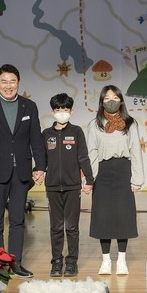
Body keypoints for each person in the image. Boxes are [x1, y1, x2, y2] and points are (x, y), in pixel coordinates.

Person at [0, 63, 46, 278]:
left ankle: (15, 263)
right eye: (4, 81)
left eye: (12, 81)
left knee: (17, 220)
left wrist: (40, 167)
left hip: (21, 171)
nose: (8, 85)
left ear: (18, 83)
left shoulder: (29, 107)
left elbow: (36, 139)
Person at [87, 85, 144, 275]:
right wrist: (90, 179)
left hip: (123, 170)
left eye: (114, 97)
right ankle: (105, 261)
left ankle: (121, 260)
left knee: (123, 215)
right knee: (102, 215)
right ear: (101, 101)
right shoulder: (94, 124)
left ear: (121, 100)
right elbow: (92, 152)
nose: (111, 101)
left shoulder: (130, 123)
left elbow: (135, 150)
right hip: (102, 172)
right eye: (107, 98)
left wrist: (137, 179)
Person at [41, 93, 95, 277]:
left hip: (73, 187)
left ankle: (71, 262)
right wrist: (37, 172)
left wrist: (89, 180)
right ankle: (56, 261)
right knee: (56, 227)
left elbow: (83, 157)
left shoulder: (77, 132)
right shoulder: (46, 134)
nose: (61, 112)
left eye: (65, 109)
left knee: (72, 227)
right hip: (52, 187)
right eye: (58, 109)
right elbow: (41, 160)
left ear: (71, 111)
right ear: (53, 112)